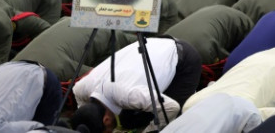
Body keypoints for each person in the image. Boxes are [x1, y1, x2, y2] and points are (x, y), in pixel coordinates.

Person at [71, 37, 202, 132]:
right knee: (128, 121)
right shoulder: (82, 88)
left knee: (173, 121)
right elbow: (78, 97)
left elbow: (171, 107)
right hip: (151, 47)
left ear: (106, 120)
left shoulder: (129, 94)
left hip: (183, 60)